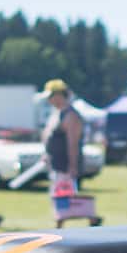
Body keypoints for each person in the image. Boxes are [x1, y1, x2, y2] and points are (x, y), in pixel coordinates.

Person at [42, 78, 84, 218]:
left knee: (63, 198)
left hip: (65, 165)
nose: (49, 101)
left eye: (50, 97)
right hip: (56, 164)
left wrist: (72, 166)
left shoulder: (70, 115)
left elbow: (72, 143)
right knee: (60, 199)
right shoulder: (57, 113)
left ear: (59, 95)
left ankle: (61, 226)